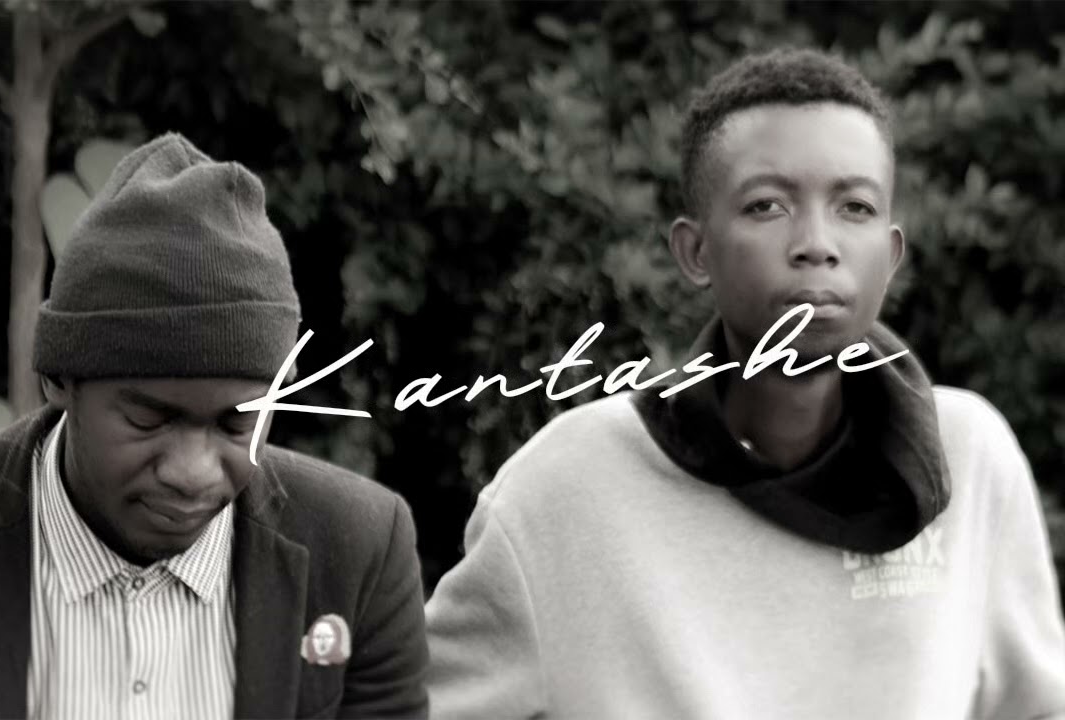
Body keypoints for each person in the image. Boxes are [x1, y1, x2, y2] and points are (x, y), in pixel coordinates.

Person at [424, 48, 1065, 719]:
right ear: (695, 252)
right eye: (766, 205)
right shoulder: (564, 489)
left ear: (892, 254)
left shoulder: (969, 455)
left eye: (854, 206)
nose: (816, 243)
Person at [0, 133, 429, 719]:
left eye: (240, 423)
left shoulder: (361, 553)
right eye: (149, 417)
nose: (191, 473)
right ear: (58, 380)